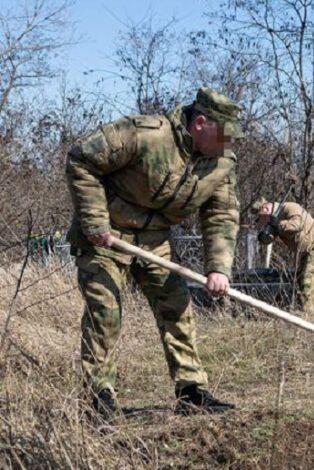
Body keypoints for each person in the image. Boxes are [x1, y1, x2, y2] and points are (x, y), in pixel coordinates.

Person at [65, 87, 243, 419]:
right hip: (106, 235)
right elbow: (81, 159)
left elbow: (221, 215)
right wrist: (95, 220)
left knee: (176, 305)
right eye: (224, 136)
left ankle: (191, 391)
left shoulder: (221, 163)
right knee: (105, 310)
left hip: (155, 240)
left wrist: (218, 267)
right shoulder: (145, 134)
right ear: (201, 123)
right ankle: (98, 398)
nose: (228, 145)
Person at [253, 198, 314, 315]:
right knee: (299, 286)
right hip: (302, 254)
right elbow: (269, 239)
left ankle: (309, 320)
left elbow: (297, 225)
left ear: (265, 209)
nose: (259, 221)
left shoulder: (289, 207)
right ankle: (302, 316)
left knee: (308, 285)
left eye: (259, 217)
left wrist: (277, 223)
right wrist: (263, 237)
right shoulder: (274, 221)